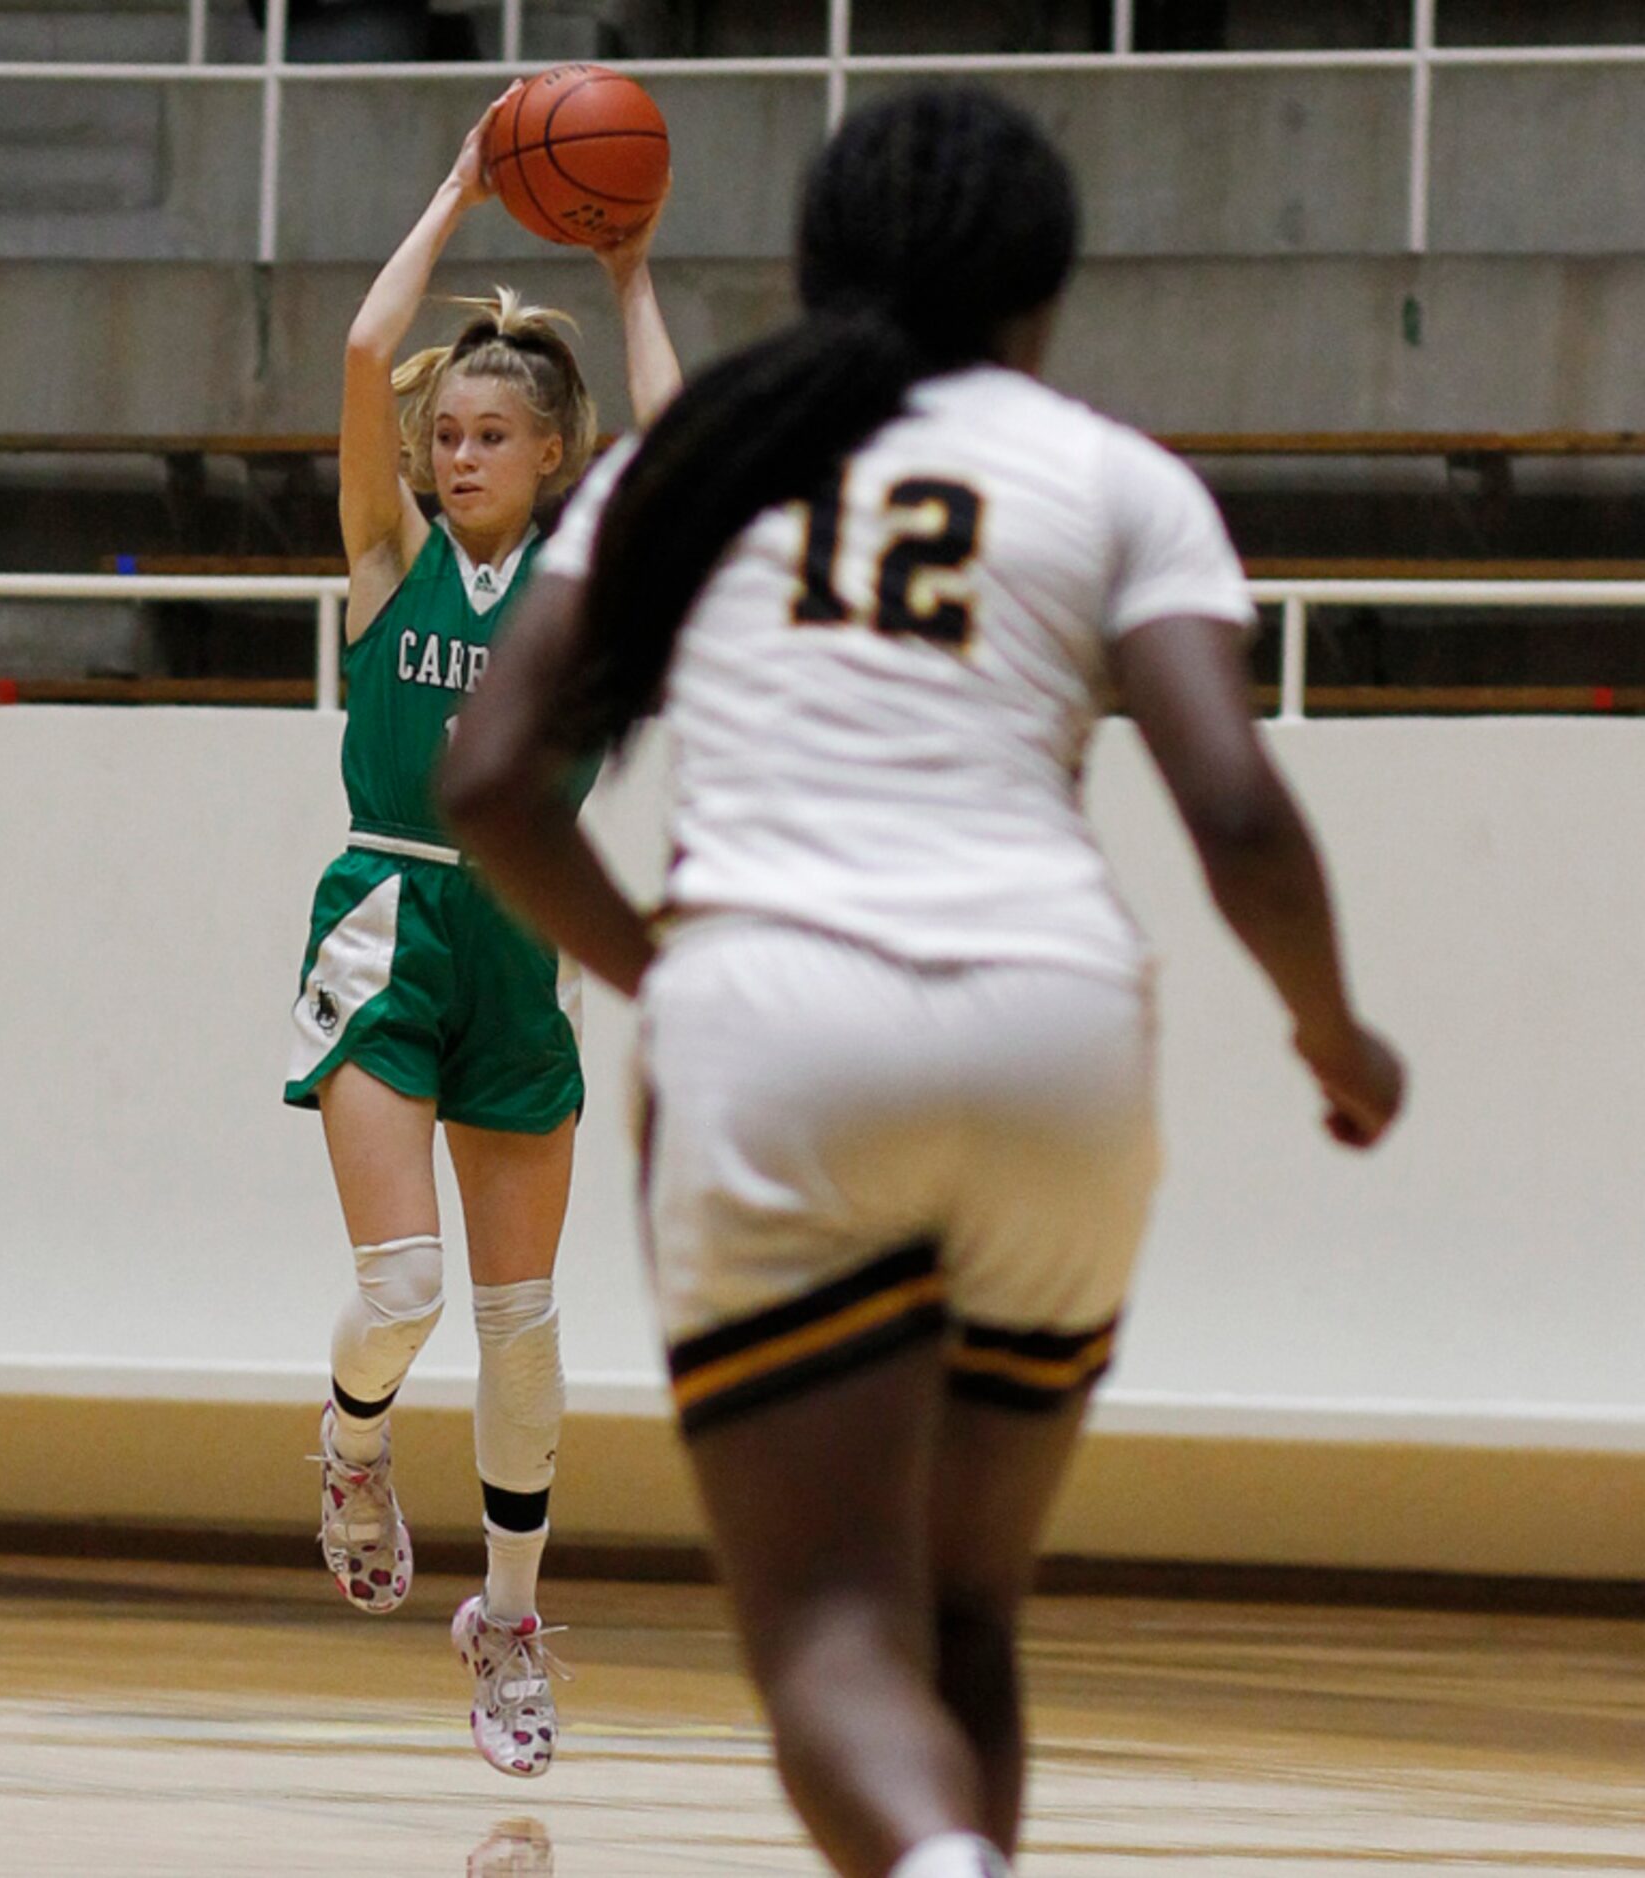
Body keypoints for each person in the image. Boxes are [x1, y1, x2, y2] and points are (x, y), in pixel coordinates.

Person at [440, 86, 1403, 1876]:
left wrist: (674, 973)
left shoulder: (691, 460)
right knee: (966, 1614)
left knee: (830, 1624)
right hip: (1057, 1031)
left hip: (775, 1027)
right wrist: (1337, 1042)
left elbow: (490, 776)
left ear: (814, 272)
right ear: (1040, 300)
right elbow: (1231, 805)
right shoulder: (1113, 472)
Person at [282, 83, 681, 1779]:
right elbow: (369, 354)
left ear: (551, 460)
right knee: (403, 1284)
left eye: (485, 437)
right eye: (445, 436)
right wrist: (459, 184)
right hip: (385, 915)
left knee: (523, 1322)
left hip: (523, 943)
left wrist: (632, 272)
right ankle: (352, 1443)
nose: (452, 453)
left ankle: (509, 1621)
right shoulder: (388, 563)